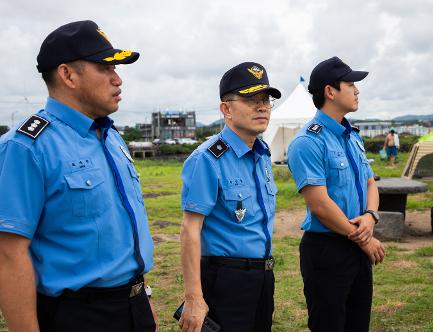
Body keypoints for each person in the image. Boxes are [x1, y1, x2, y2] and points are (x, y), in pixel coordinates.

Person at [0, 20, 155, 332]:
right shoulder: (26, 147)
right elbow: (8, 253)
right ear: (68, 75)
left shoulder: (110, 136)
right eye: (105, 68)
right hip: (77, 315)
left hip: (135, 305)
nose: (118, 79)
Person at [179, 62, 281, 332]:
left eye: (266, 100)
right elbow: (190, 229)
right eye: (250, 99)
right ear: (226, 108)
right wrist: (193, 298)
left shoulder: (262, 154)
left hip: (263, 275)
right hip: (225, 279)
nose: (262, 107)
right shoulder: (208, 159)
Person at [287, 56, 385, 332]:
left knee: (358, 322)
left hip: (357, 240)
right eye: (350, 84)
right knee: (329, 324)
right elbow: (319, 203)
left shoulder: (352, 135)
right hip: (327, 249)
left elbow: (370, 183)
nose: (357, 90)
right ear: (330, 91)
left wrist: (370, 216)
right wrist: (364, 240)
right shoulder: (308, 141)